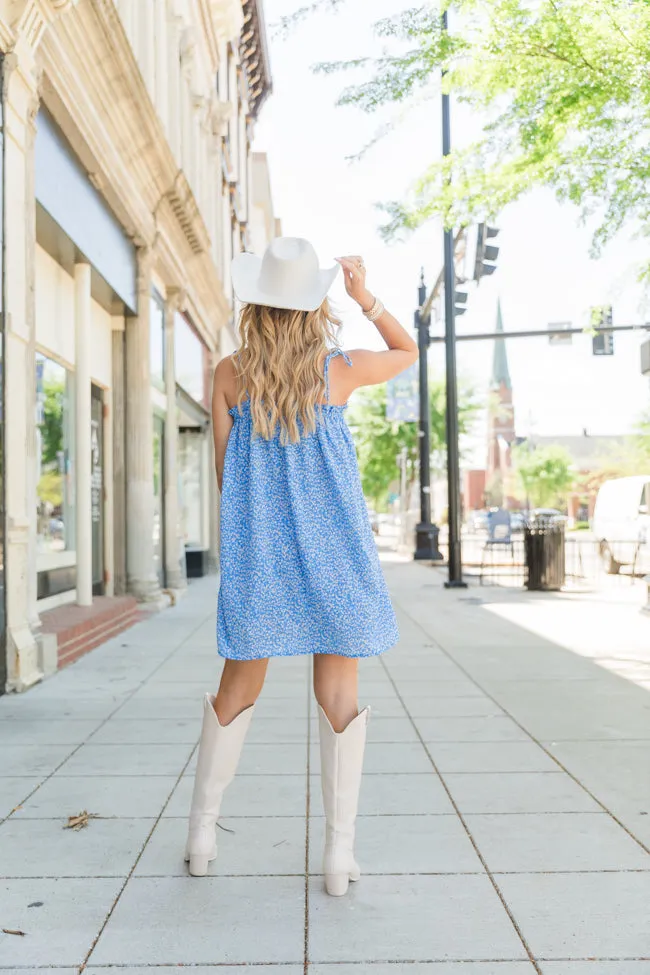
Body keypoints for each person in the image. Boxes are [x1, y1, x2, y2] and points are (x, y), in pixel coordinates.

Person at [185, 237, 418, 894]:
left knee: (238, 685)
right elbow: (408, 351)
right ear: (314, 303)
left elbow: (226, 472)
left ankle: (203, 832)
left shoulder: (228, 373)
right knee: (339, 695)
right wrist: (365, 295)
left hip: (263, 555)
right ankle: (339, 855)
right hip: (335, 552)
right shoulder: (338, 369)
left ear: (257, 303)